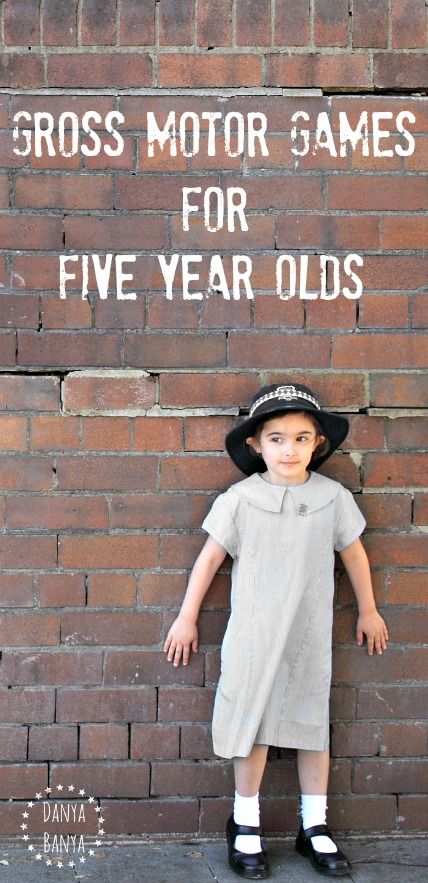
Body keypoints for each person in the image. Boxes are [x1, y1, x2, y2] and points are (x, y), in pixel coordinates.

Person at [164, 382, 388, 879]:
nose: (290, 449)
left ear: (318, 444)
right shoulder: (241, 499)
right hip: (254, 635)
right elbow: (210, 558)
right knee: (254, 726)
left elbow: (354, 553)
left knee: (312, 725)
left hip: (308, 636)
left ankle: (315, 826)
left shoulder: (332, 498)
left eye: (302, 438)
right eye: (277, 438)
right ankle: (245, 822)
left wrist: (368, 611)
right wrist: (187, 615)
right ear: (255, 445)